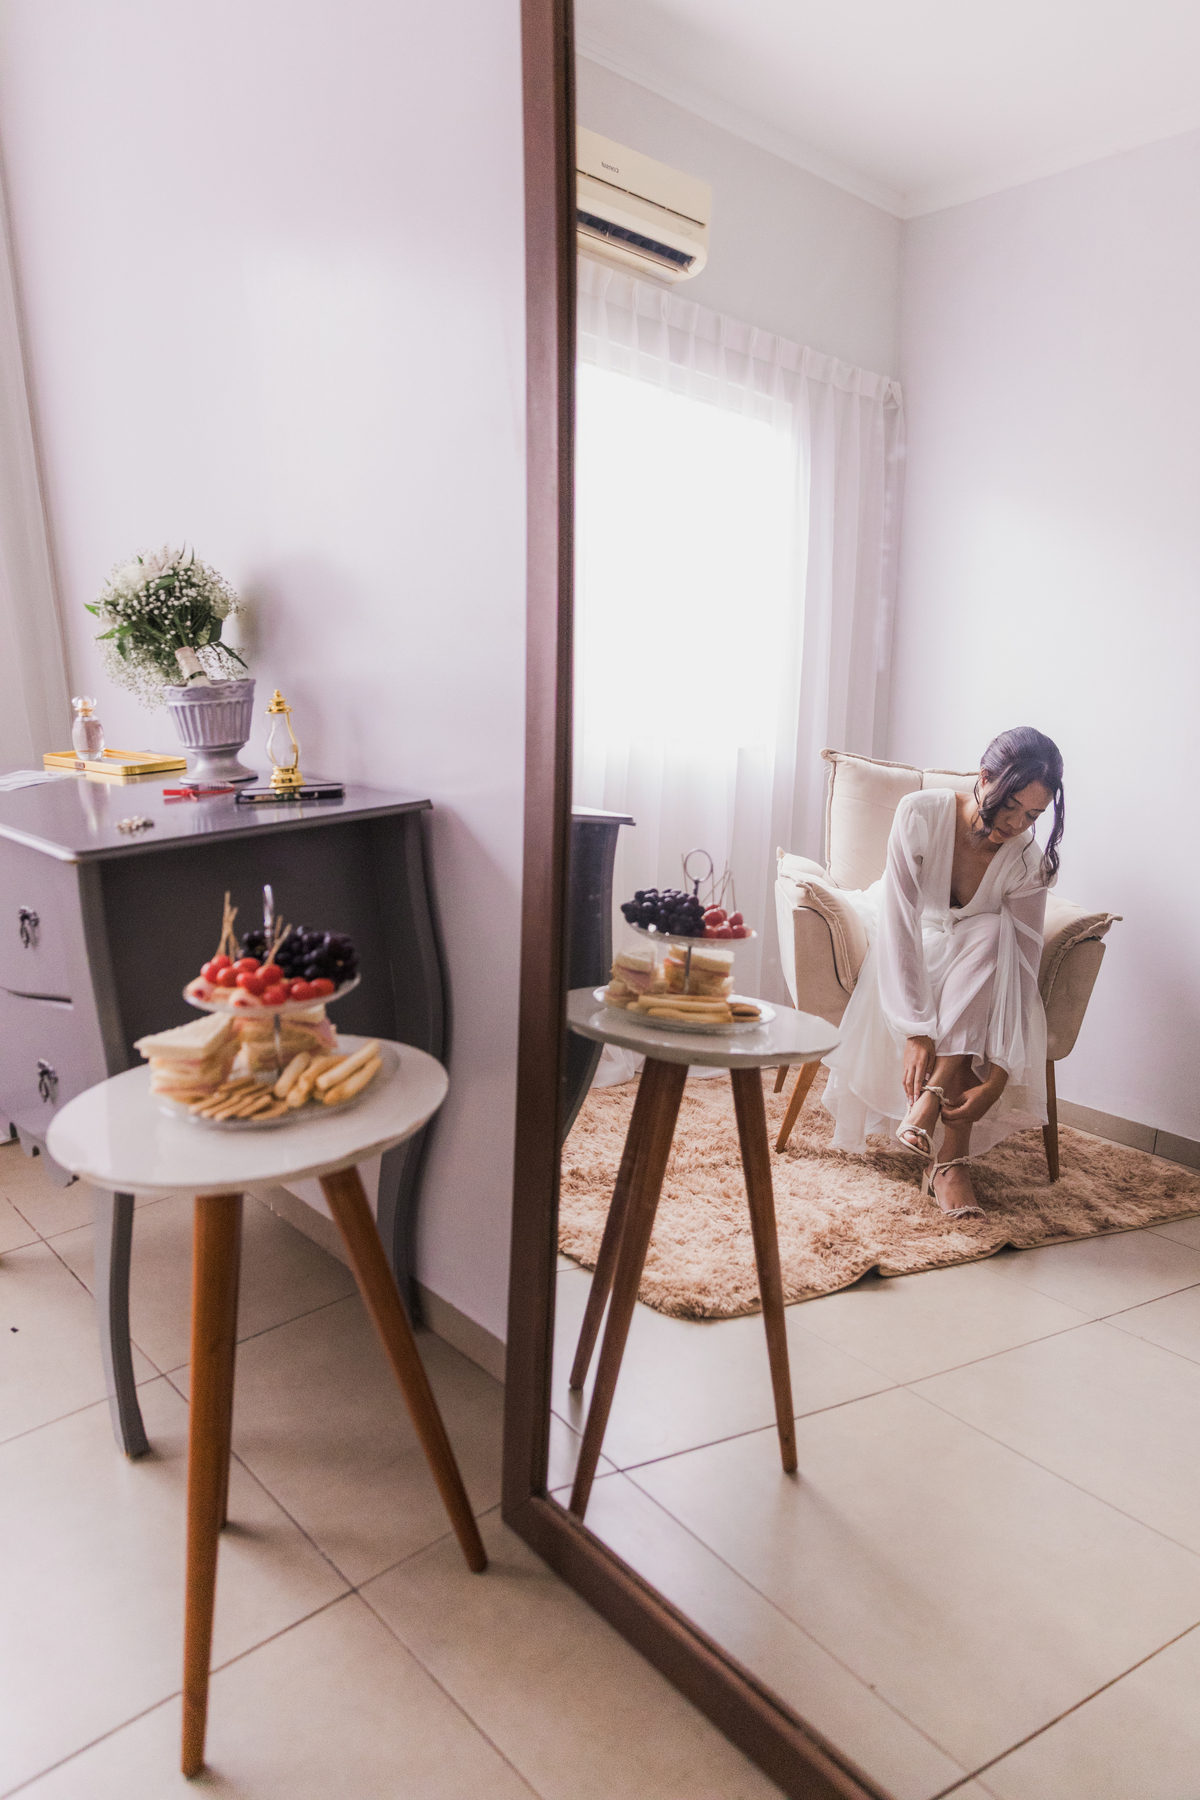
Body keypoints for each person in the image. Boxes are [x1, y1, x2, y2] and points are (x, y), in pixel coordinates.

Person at [822, 727, 1064, 1219]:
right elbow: (899, 924)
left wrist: (998, 1077)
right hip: (907, 937)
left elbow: (1022, 969)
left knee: (993, 934)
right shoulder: (921, 813)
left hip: (980, 963)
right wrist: (916, 1029)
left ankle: (931, 1101)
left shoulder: (1028, 861)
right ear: (985, 778)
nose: (1016, 823)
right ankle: (951, 1162)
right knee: (980, 951)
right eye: (1010, 805)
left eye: (1033, 815)